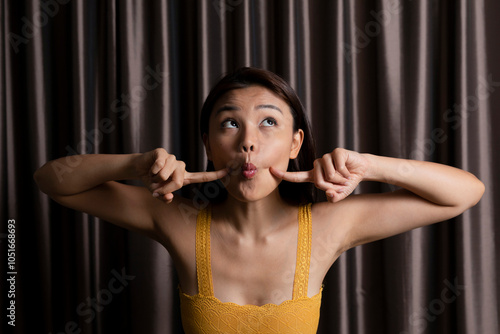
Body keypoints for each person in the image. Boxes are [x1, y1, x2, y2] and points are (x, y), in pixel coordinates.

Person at [34, 67, 485, 333]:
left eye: (268, 123)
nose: (248, 141)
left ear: (295, 143)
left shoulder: (329, 226)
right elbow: (51, 180)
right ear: (209, 144)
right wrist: (136, 165)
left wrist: (368, 165)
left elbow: (466, 192)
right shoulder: (178, 221)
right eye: (229, 124)